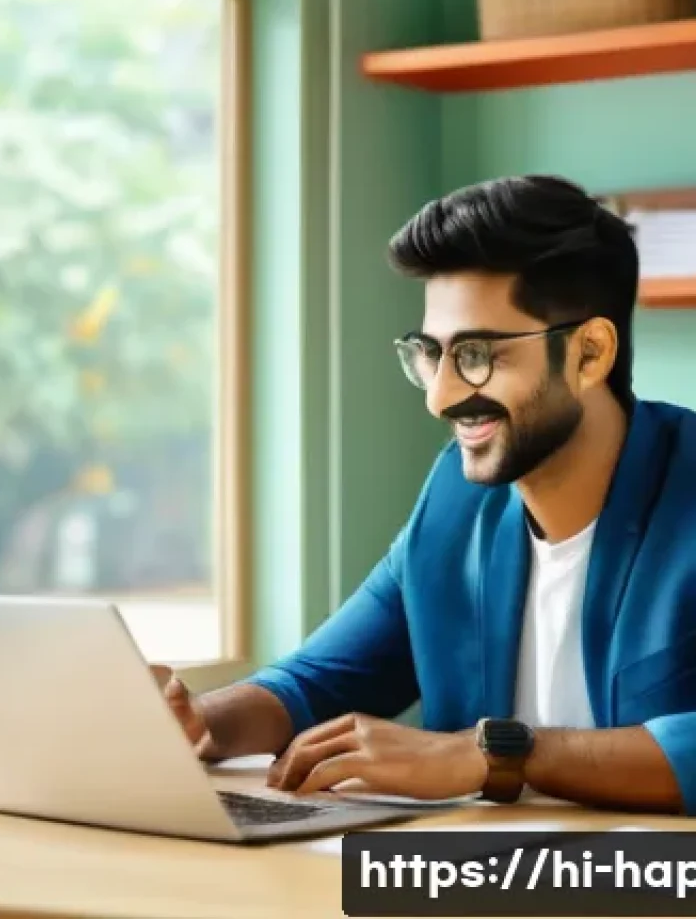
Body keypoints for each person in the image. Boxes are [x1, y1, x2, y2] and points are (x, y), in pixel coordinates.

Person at [155, 175, 696, 814]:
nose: (440, 396)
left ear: (590, 354)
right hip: (474, 869)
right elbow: (318, 679)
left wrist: (493, 753)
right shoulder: (457, 500)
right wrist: (199, 722)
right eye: (430, 354)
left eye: (477, 355)